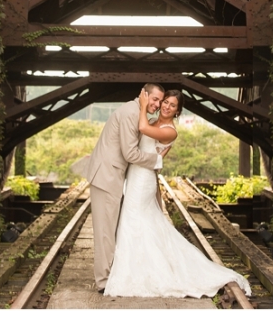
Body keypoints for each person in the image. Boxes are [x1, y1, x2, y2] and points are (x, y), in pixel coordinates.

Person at [104, 89, 252, 298]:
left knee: (134, 219)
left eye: (172, 105)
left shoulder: (169, 130)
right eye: (165, 102)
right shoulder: (155, 119)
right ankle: (141, 266)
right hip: (136, 175)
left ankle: (143, 272)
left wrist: (144, 102)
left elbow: (142, 127)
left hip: (143, 179)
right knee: (137, 221)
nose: (166, 106)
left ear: (177, 111)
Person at [79, 83, 166, 293]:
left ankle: (110, 275)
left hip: (112, 175)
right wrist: (156, 160)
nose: (157, 104)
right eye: (154, 99)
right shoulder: (130, 113)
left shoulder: (136, 112)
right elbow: (130, 154)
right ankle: (103, 281)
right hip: (107, 176)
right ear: (143, 95)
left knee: (112, 228)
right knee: (105, 232)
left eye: (161, 101)